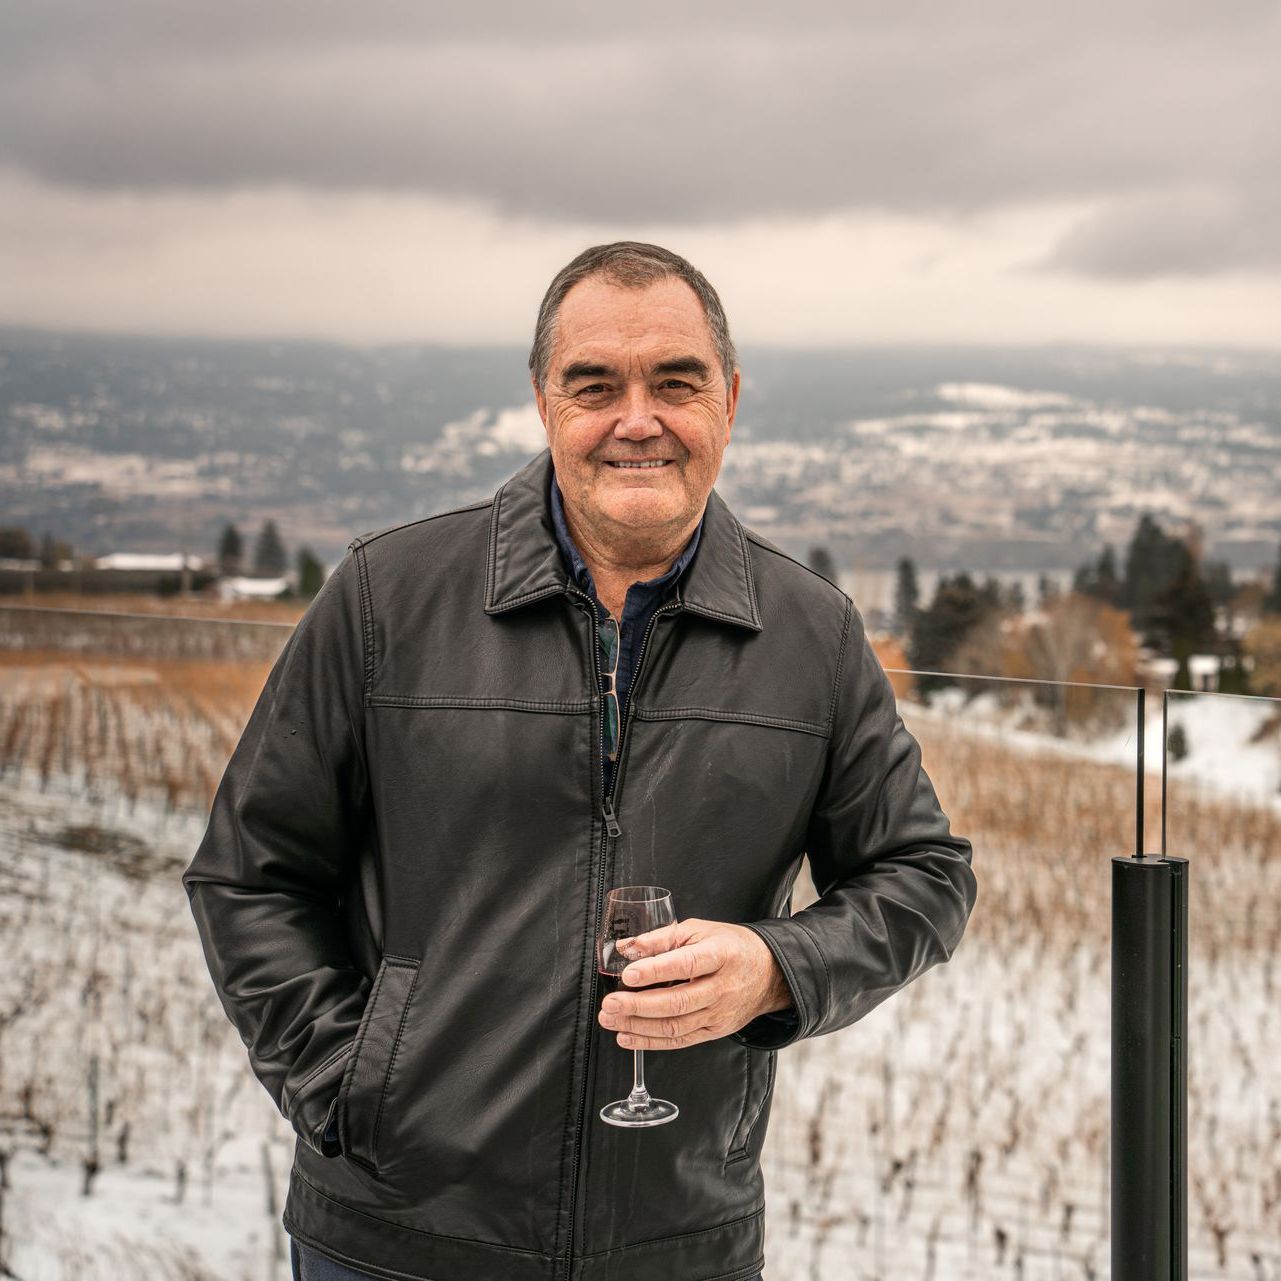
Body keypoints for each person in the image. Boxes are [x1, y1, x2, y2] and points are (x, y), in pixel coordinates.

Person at [183, 241, 977, 1281]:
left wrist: (778, 970)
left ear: (728, 401)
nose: (637, 420)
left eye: (676, 384)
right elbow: (251, 874)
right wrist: (352, 1091)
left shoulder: (811, 635)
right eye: (595, 385)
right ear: (543, 400)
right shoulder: (386, 598)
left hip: (678, 1241)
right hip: (395, 1241)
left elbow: (923, 877)